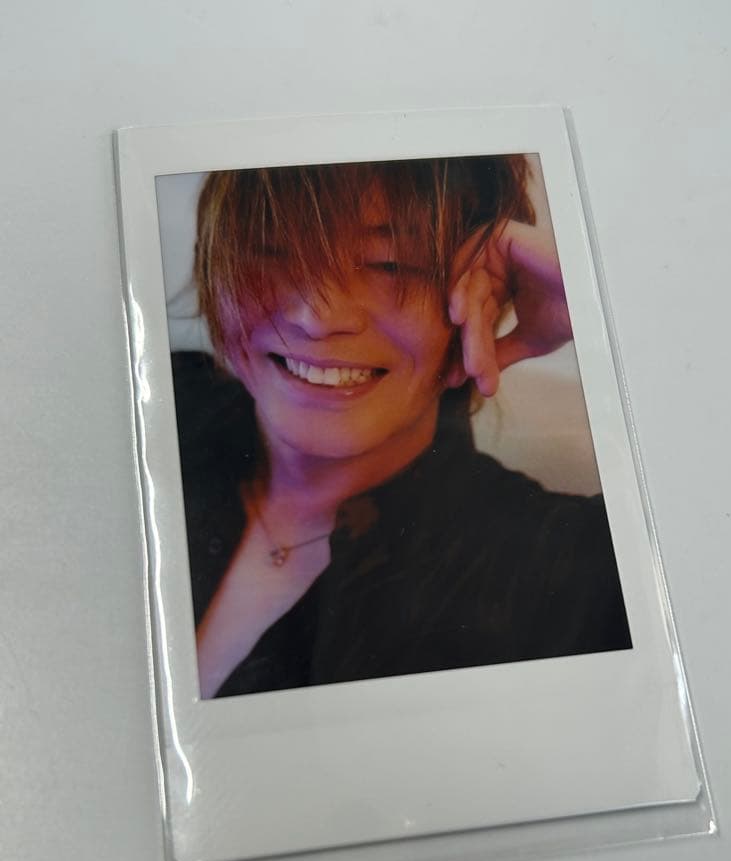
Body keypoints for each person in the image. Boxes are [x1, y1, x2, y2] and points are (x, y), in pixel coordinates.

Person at [171, 155, 631, 699]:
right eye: (273, 252)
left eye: (390, 264)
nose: (318, 317)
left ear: (489, 295)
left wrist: (601, 293)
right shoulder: (164, 406)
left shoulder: (561, 564)